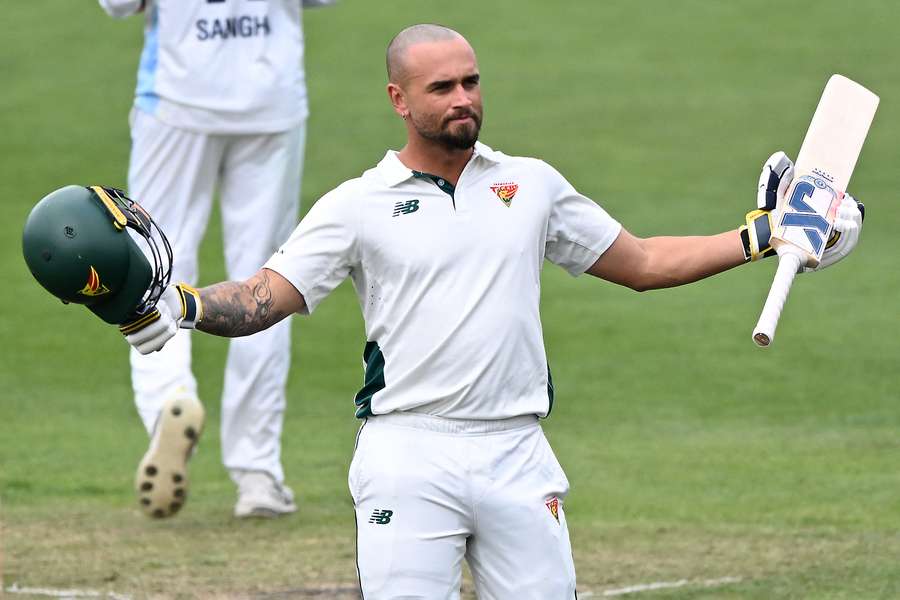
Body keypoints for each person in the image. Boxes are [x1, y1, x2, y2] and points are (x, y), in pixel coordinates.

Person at [121, 24, 864, 598]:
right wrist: (179, 304)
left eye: (471, 82)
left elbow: (640, 264)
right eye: (442, 87)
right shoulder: (356, 206)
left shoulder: (531, 185)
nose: (463, 98)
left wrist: (759, 235)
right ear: (399, 100)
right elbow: (261, 298)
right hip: (407, 456)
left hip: (517, 453)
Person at [98, 0, 334, 519]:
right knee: (269, 280)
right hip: (269, 101)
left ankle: (168, 404)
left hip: (177, 100)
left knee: (153, 269)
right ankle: (258, 475)